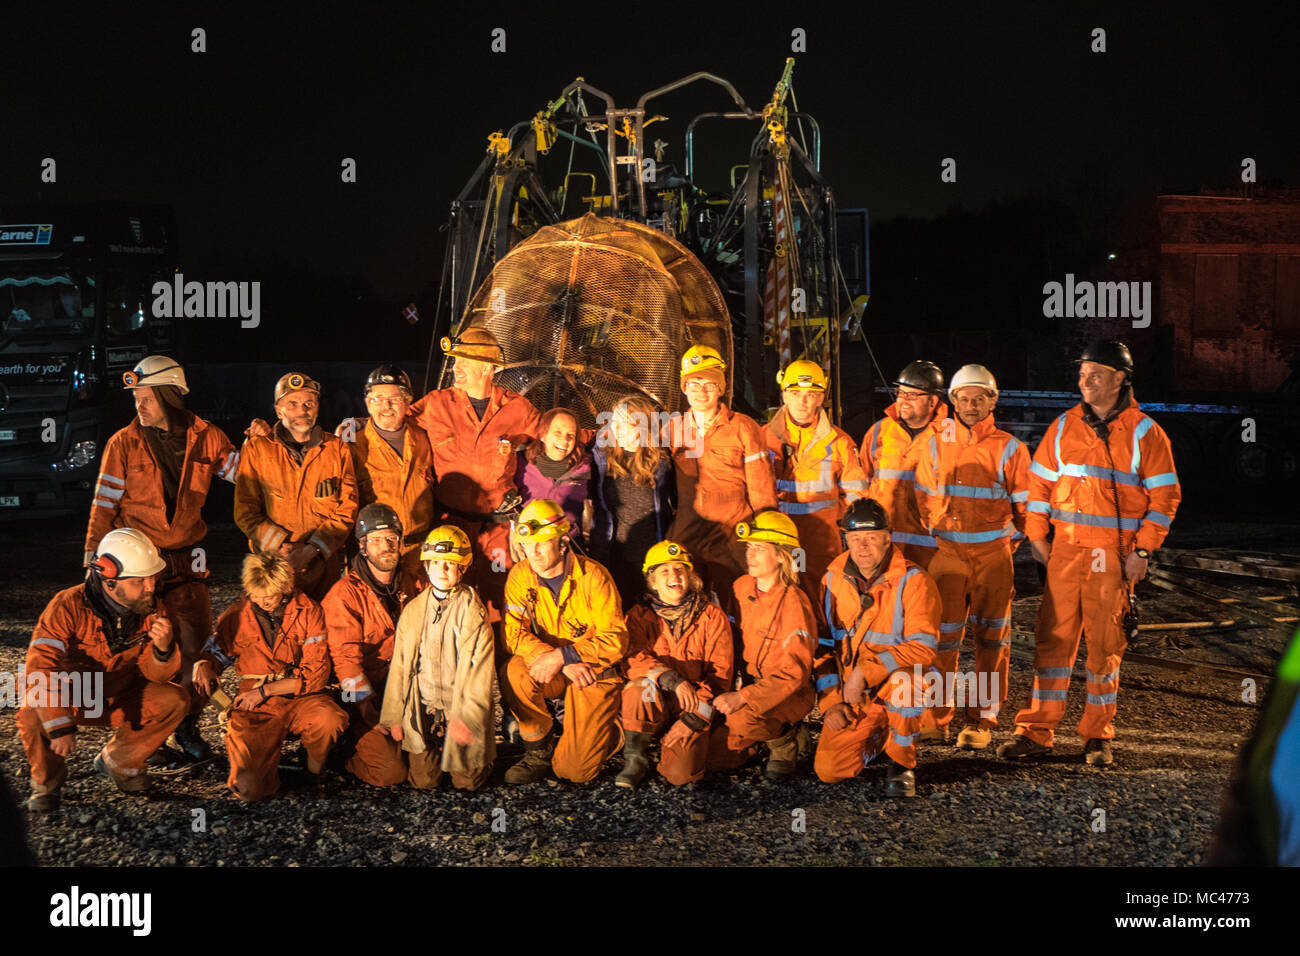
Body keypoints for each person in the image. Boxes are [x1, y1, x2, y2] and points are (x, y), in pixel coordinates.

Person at [998, 340, 1181, 766]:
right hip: (1065, 552)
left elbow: (1165, 497)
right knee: (1052, 643)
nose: (1085, 381)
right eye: (1082, 375)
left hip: (1112, 558)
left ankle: (1098, 735)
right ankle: (1035, 732)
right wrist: (1038, 538)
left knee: (1104, 646)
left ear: (1120, 379)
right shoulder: (1064, 426)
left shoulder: (1144, 433)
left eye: (1095, 374)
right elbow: (1038, 486)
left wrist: (1143, 551)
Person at [83, 355, 238, 761]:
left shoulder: (206, 436)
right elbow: (103, 504)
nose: (139, 406)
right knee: (142, 652)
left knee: (197, 647)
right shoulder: (124, 442)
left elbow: (248, 473)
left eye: (147, 398)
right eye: (136, 399)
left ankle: (187, 726)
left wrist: (269, 439)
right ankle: (142, 736)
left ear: (170, 397)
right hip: (138, 568)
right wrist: (92, 560)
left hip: (188, 565)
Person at [18, 529, 187, 812]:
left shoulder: (151, 608)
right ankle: (46, 785)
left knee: (175, 700)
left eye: (152, 578)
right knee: (33, 709)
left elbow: (156, 676)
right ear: (109, 582)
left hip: (119, 694)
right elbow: (40, 666)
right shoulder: (67, 605)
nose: (150, 587)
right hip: (75, 696)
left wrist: (164, 649)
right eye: (139, 580)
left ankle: (119, 763)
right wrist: (58, 724)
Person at [913, 363, 1030, 748]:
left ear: (992, 401)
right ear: (954, 401)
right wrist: (942, 531)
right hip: (947, 554)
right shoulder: (935, 444)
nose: (971, 406)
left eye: (980, 399)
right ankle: (936, 717)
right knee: (941, 638)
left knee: (991, 640)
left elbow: (1025, 508)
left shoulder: (1010, 448)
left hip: (993, 556)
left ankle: (981, 721)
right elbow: (924, 497)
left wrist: (1004, 544)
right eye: (964, 399)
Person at [193, 552, 348, 801]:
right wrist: (203, 664)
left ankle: (310, 769)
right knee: (248, 789)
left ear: (285, 588)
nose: (264, 600)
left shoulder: (309, 611)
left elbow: (316, 676)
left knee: (328, 717)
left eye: (271, 594)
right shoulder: (237, 615)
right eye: (257, 594)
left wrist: (266, 691)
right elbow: (216, 655)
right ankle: (266, 770)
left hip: (300, 697)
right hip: (256, 707)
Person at [409, 329, 540, 623]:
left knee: (500, 597)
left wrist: (612, 435)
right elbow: (392, 422)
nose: (455, 368)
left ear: (486, 367)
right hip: (449, 523)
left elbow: (554, 434)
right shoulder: (436, 404)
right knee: (448, 597)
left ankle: (499, 658)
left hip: (497, 528)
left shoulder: (517, 408)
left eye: (462, 362)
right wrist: (352, 429)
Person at [812, 499, 942, 797]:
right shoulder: (831, 580)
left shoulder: (914, 581)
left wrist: (864, 671)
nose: (863, 546)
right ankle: (880, 737)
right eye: (855, 539)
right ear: (845, 539)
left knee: (905, 684)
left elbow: (924, 647)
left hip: (896, 685)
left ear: (888, 537)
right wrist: (831, 702)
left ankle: (901, 763)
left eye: (871, 538)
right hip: (857, 697)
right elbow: (823, 648)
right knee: (830, 771)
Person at [498, 498, 628, 784]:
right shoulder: (521, 576)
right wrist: (557, 659)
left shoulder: (594, 577)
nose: (533, 551)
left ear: (562, 541)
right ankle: (538, 753)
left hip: (592, 673)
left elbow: (616, 639)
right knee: (515, 672)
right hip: (560, 668)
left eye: (542, 543)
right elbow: (513, 634)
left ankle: (610, 730)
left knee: (573, 772)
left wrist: (564, 656)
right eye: (528, 544)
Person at [381, 525, 496, 790]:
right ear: (426, 566)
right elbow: (399, 666)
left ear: (462, 568)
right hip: (425, 711)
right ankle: (435, 751)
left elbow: (480, 674)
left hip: (460, 710)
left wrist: (467, 720)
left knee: (466, 783)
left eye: (450, 564)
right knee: (424, 782)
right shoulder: (413, 611)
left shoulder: (472, 614)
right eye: (436, 563)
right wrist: (394, 717)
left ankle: (483, 759)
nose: (442, 571)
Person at [706, 510, 817, 780]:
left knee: (740, 719)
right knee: (711, 757)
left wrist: (742, 697)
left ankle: (784, 740)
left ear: (781, 555)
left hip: (787, 693)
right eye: (749, 547)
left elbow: (794, 674)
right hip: (748, 686)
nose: (750, 554)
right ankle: (756, 742)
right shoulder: (742, 587)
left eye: (760, 548)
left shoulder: (794, 602)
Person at [661, 345, 777, 599]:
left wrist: (767, 535)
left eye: (709, 385)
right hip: (687, 534)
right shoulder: (671, 430)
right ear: (684, 388)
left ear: (721, 388)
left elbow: (762, 489)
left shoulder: (744, 428)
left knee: (738, 599)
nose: (701, 392)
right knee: (686, 602)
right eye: (694, 384)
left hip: (733, 534)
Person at [321, 503, 424, 787]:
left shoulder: (414, 585)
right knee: (390, 774)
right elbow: (346, 664)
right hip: (364, 697)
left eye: (391, 538)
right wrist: (370, 714)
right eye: (376, 540)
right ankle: (343, 753)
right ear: (363, 548)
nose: (386, 546)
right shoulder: (344, 596)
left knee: (428, 767)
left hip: (402, 687)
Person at [617, 540, 733, 788]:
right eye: (665, 571)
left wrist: (693, 719)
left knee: (680, 776)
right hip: (656, 702)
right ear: (653, 581)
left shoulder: (712, 617)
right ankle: (635, 758)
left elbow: (720, 676)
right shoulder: (639, 616)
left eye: (680, 569)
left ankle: (682, 747)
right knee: (639, 688)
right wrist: (670, 678)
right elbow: (632, 658)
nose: (674, 576)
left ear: (690, 576)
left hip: (693, 705)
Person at [233, 372, 358, 602]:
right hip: (272, 569)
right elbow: (245, 510)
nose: (302, 411)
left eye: (308, 403)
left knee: (322, 633)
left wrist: (312, 549)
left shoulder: (336, 450)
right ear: (278, 410)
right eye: (292, 404)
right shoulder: (257, 450)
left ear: (317, 407)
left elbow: (347, 508)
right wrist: (280, 547)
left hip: (322, 570)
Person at [764, 359, 868, 610]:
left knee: (822, 606)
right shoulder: (761, 438)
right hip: (774, 541)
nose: (803, 402)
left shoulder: (840, 443)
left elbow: (856, 498)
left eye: (811, 394)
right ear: (784, 395)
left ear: (821, 398)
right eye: (796, 394)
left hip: (821, 544)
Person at [340, 365, 436, 578]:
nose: (386, 406)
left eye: (394, 399)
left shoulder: (424, 438)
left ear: (408, 401)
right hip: (374, 554)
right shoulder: (351, 442)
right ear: (367, 403)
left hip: (419, 553)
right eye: (377, 399)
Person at [860, 360, 949, 570]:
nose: (904, 400)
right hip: (883, 545)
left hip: (930, 549)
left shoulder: (949, 437)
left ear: (933, 401)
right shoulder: (879, 432)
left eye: (913, 395)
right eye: (901, 393)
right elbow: (861, 483)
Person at [589, 393, 675, 605]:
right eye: (614, 421)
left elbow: (676, 504)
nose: (616, 428)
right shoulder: (601, 457)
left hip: (652, 554)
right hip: (613, 554)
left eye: (624, 423)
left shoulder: (661, 462)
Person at [515, 406, 591, 546]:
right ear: (543, 435)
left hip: (568, 544)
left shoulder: (583, 468)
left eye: (571, 436)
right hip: (530, 544)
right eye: (557, 433)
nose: (564, 440)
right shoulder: (520, 463)